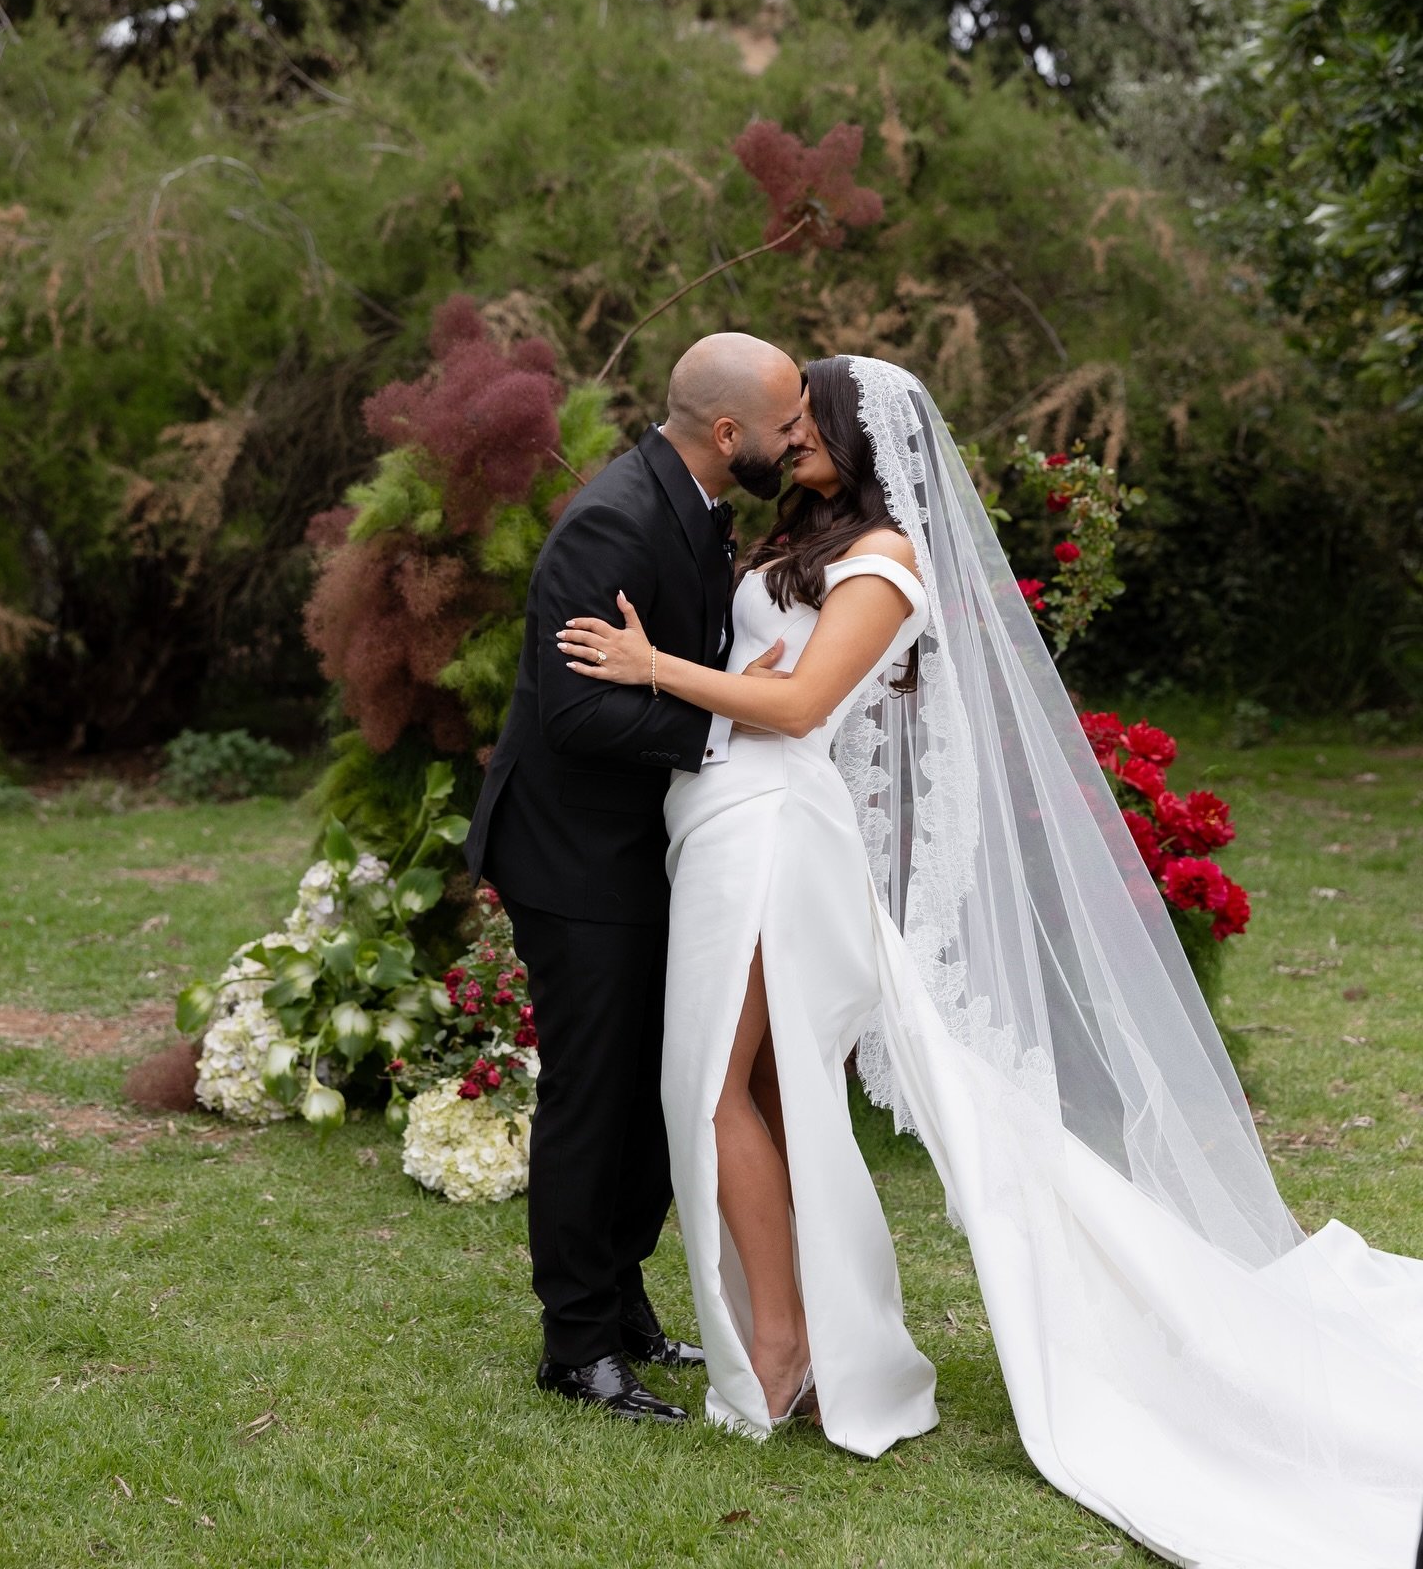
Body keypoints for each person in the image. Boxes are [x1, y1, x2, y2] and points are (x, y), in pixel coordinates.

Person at [557, 353, 1423, 1568]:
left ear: (860, 437)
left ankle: (786, 1350)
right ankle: (813, 1342)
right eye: (785, 420)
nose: (792, 436)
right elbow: (763, 679)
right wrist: (716, 676)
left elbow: (801, 709)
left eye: (810, 421)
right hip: (722, 818)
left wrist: (656, 669)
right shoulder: (798, 542)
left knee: (711, 1092)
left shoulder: (886, 560)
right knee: (758, 1091)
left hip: (768, 829)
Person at [465, 331, 805, 1424]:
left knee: (657, 1093)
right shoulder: (613, 519)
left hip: (647, 849)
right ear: (727, 433)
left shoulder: (698, 506)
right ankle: (577, 1348)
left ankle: (621, 1307)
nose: (796, 439)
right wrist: (724, 727)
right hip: (573, 858)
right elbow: (573, 711)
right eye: (785, 425)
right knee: (593, 1096)